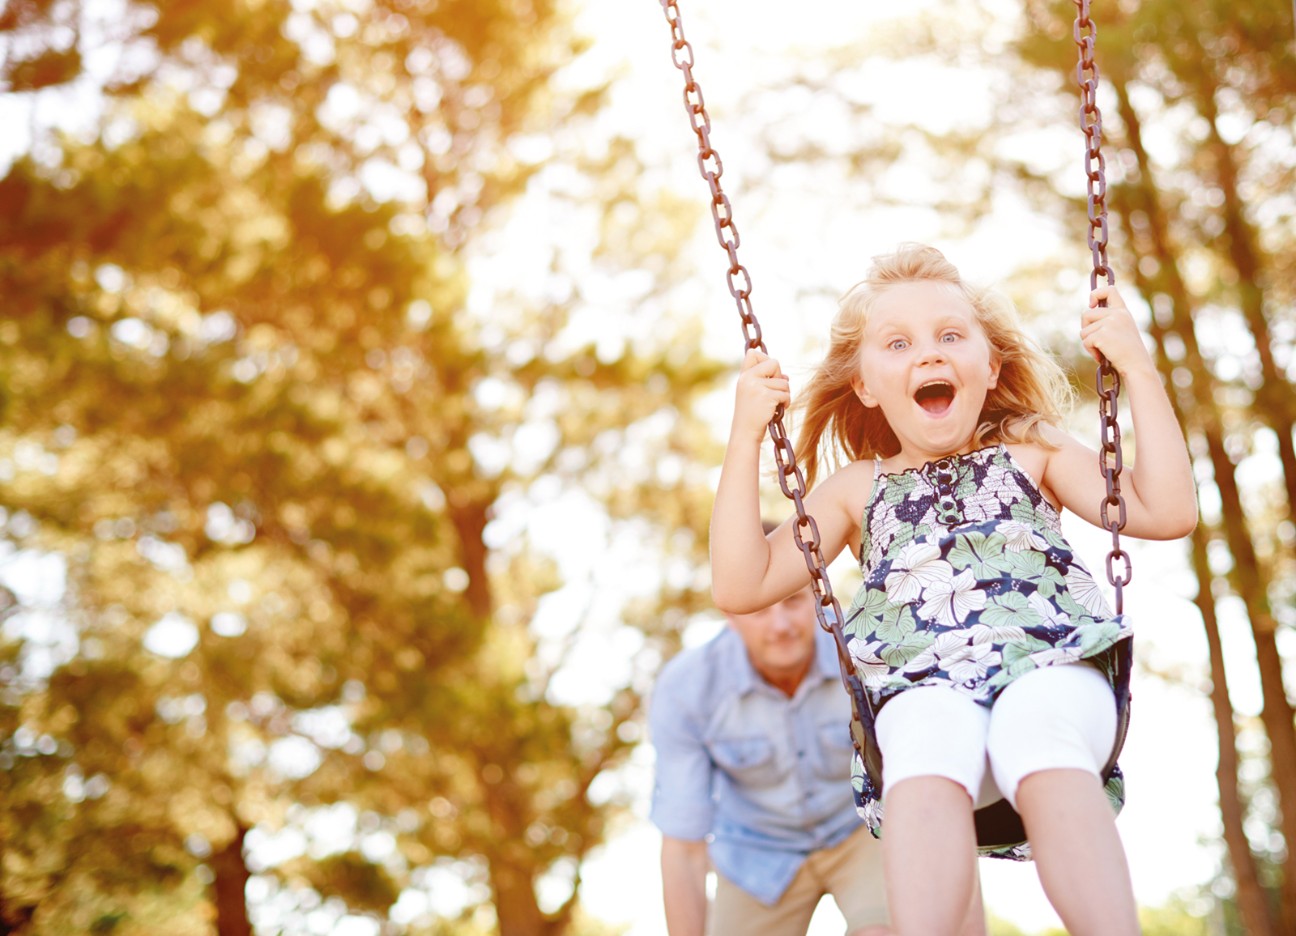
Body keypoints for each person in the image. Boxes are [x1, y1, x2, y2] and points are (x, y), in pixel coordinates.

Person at [710, 244, 1197, 936]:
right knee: (924, 737)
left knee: (1037, 725)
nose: (929, 355)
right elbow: (741, 582)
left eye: (950, 336)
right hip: (924, 688)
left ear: (989, 366)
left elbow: (1166, 511)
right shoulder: (857, 489)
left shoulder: (1034, 450)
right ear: (866, 385)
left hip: (1051, 665)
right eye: (898, 343)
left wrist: (1137, 368)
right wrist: (745, 433)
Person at [648, 550, 893, 936]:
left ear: (816, 594)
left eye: (793, 601)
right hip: (755, 855)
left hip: (863, 830)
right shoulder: (686, 688)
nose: (780, 625)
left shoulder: (868, 650)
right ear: (730, 613)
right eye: (759, 609)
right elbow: (684, 846)